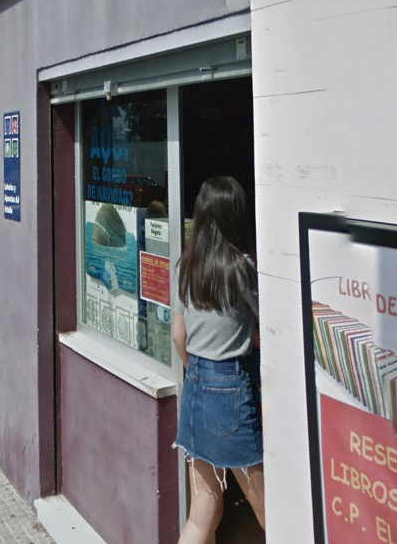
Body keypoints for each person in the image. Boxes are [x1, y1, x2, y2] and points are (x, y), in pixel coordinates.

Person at [172, 176, 265, 543]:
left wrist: (198, 372)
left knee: (202, 514)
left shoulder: (185, 266)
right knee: (271, 511)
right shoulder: (241, 268)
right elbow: (271, 328)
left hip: (194, 385)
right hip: (231, 390)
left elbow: (179, 336)